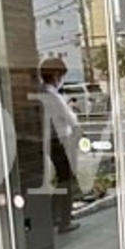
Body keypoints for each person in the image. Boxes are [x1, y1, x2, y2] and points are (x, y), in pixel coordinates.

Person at [39, 57, 81, 233]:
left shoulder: (41, 92)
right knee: (67, 179)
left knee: (62, 178)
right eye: (61, 75)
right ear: (56, 74)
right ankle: (64, 219)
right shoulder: (52, 95)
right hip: (61, 139)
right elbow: (69, 118)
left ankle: (54, 216)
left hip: (50, 140)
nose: (61, 79)